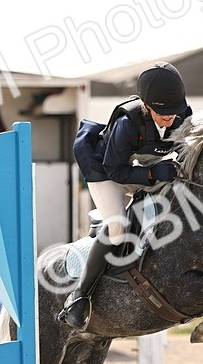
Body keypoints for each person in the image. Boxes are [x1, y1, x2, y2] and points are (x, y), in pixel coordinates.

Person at [64, 62, 193, 330]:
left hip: (142, 167)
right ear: (147, 106)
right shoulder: (127, 123)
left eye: (174, 113)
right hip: (108, 172)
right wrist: (153, 174)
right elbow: (116, 170)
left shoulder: (181, 114)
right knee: (117, 227)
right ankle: (79, 297)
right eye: (162, 114)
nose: (170, 119)